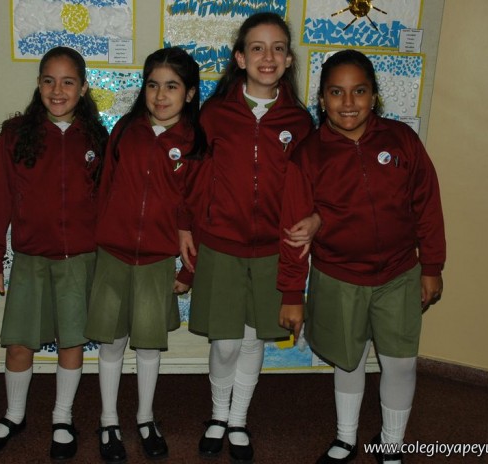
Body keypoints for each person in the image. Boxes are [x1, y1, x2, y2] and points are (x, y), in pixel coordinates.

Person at [279, 49, 446, 464]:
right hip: (339, 278)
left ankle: (392, 444)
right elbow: (295, 232)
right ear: (322, 99)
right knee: (348, 363)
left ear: (374, 96)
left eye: (359, 91)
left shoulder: (402, 140)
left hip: (399, 275)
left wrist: (431, 266)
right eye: (336, 92)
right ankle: (345, 438)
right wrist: (291, 293)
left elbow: (427, 205)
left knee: (399, 363)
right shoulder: (307, 156)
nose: (348, 102)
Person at [179, 12, 317, 463]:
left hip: (273, 251)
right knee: (225, 342)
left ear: (289, 59)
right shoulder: (214, 114)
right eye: (257, 47)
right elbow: (195, 177)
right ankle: (217, 415)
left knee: (255, 339)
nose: (268, 56)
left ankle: (238, 419)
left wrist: (317, 218)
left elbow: (315, 186)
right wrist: (185, 224)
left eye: (278, 48)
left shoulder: (300, 122)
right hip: (221, 246)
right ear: (240, 58)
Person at [0, 46, 108, 461]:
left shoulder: (97, 138)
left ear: (83, 88)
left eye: (68, 81)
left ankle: (62, 417)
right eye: (49, 80)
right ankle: (14, 415)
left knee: (71, 342)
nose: (57, 90)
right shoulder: (16, 134)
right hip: (31, 258)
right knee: (19, 343)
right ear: (38, 84)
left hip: (79, 261)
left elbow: (108, 203)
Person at [84, 46, 206, 463]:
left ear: (190, 93)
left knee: (150, 347)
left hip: (157, 260)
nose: (160, 95)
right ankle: (108, 420)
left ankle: (145, 417)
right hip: (113, 256)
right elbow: (104, 190)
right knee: (112, 343)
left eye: (172, 86)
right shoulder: (125, 130)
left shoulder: (194, 142)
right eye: (153, 85)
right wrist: (97, 245)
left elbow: (196, 212)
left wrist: (188, 271)